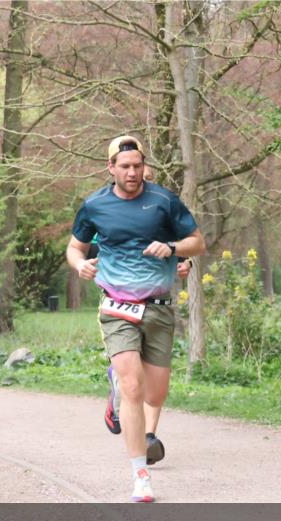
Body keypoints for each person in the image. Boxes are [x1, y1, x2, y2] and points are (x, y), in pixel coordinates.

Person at [67, 135, 205, 502]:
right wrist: (80, 264)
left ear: (145, 166)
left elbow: (198, 242)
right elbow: (75, 246)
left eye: (137, 165)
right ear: (111, 168)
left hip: (158, 307)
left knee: (154, 393)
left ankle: (117, 395)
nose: (132, 172)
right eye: (124, 167)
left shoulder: (163, 201)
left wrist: (173, 248)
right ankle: (140, 475)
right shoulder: (95, 205)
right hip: (116, 307)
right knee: (133, 388)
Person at [102, 163, 193, 465]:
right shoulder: (109, 215)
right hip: (120, 303)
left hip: (157, 305)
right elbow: (91, 250)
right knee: (133, 380)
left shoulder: (163, 212)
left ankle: (148, 435)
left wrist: (184, 264)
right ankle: (121, 390)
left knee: (154, 380)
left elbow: (182, 249)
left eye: (146, 179)